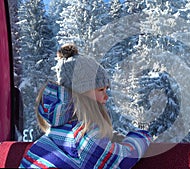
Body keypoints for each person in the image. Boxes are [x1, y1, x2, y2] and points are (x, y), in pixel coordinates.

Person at [19, 43, 152, 169]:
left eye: (107, 90)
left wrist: (113, 137)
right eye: (100, 90)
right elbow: (120, 160)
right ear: (82, 93)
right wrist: (142, 136)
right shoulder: (80, 135)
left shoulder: (62, 129)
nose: (106, 97)